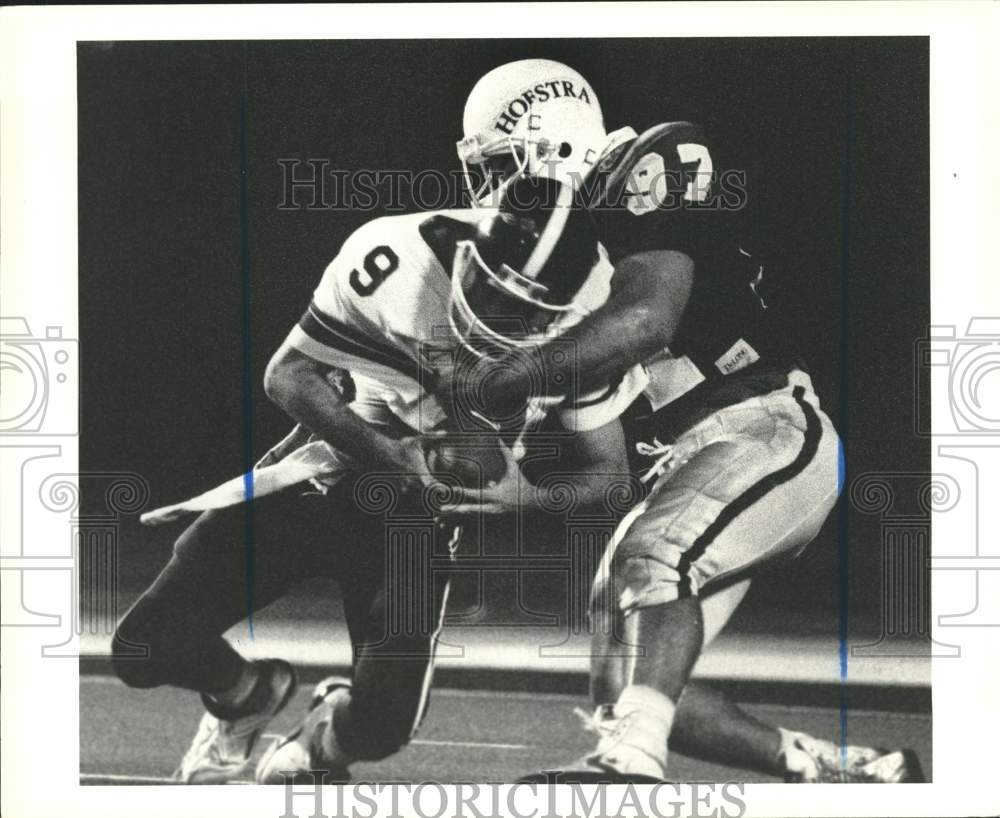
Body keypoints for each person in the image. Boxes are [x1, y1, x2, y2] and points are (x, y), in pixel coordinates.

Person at [441, 58, 921, 783]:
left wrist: (505, 380)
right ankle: (853, 773)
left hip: (762, 428)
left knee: (655, 562)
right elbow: (606, 474)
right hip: (689, 457)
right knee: (627, 686)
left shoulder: (647, 161)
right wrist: (524, 492)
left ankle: (630, 767)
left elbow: (645, 317)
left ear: (555, 142)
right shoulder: (562, 262)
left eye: (503, 166)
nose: (493, 193)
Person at [112, 176, 644, 784]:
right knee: (143, 646)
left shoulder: (594, 328)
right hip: (330, 467)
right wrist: (388, 456)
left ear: (570, 306)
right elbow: (289, 376)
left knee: (382, 728)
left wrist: (525, 496)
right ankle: (246, 695)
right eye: (492, 290)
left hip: (414, 519)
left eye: (527, 310)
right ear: (467, 246)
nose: (499, 317)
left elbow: (610, 473)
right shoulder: (396, 257)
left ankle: (322, 733)